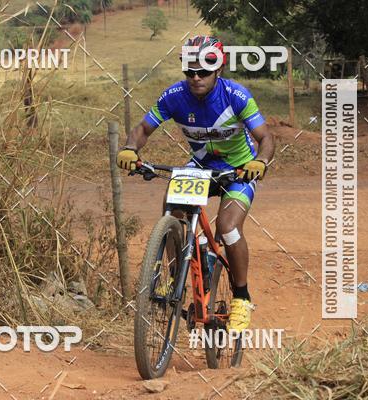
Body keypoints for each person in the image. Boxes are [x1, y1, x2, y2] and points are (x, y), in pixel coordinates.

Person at [116, 35, 275, 333]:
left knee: (228, 227)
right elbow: (143, 129)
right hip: (201, 166)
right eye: (190, 71)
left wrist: (260, 162)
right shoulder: (174, 96)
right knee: (173, 206)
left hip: (239, 170)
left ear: (219, 70)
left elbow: (265, 137)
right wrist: (130, 148)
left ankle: (242, 297)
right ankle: (175, 275)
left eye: (204, 71)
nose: (196, 77)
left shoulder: (236, 96)